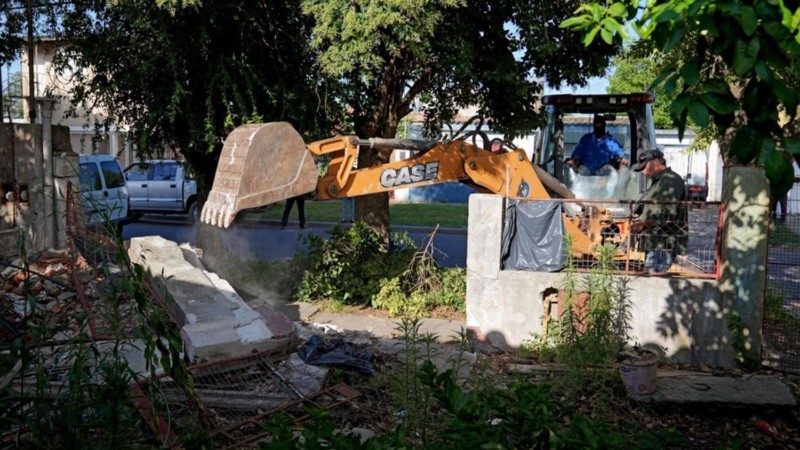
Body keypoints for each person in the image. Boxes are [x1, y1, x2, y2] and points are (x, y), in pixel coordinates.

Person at [629, 149, 688, 274]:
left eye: (644, 167)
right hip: (655, 243)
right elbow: (654, 210)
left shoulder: (670, 180)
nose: (643, 172)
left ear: (656, 163)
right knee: (650, 278)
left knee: (653, 279)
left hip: (663, 245)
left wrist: (642, 224)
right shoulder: (659, 181)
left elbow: (668, 215)